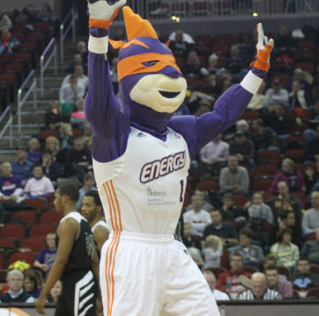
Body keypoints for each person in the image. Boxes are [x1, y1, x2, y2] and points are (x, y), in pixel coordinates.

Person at [85, 2, 273, 315]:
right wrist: (98, 31)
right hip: (132, 249)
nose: (170, 76)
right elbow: (99, 97)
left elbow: (221, 114)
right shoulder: (114, 133)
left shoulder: (181, 132)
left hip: (172, 249)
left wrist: (258, 70)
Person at [36, 183, 97, 315]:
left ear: (64, 199)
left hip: (79, 282)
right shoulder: (84, 222)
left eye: (56, 197)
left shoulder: (68, 224)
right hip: (76, 282)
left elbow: (60, 261)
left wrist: (44, 293)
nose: (54, 202)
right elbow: (95, 259)